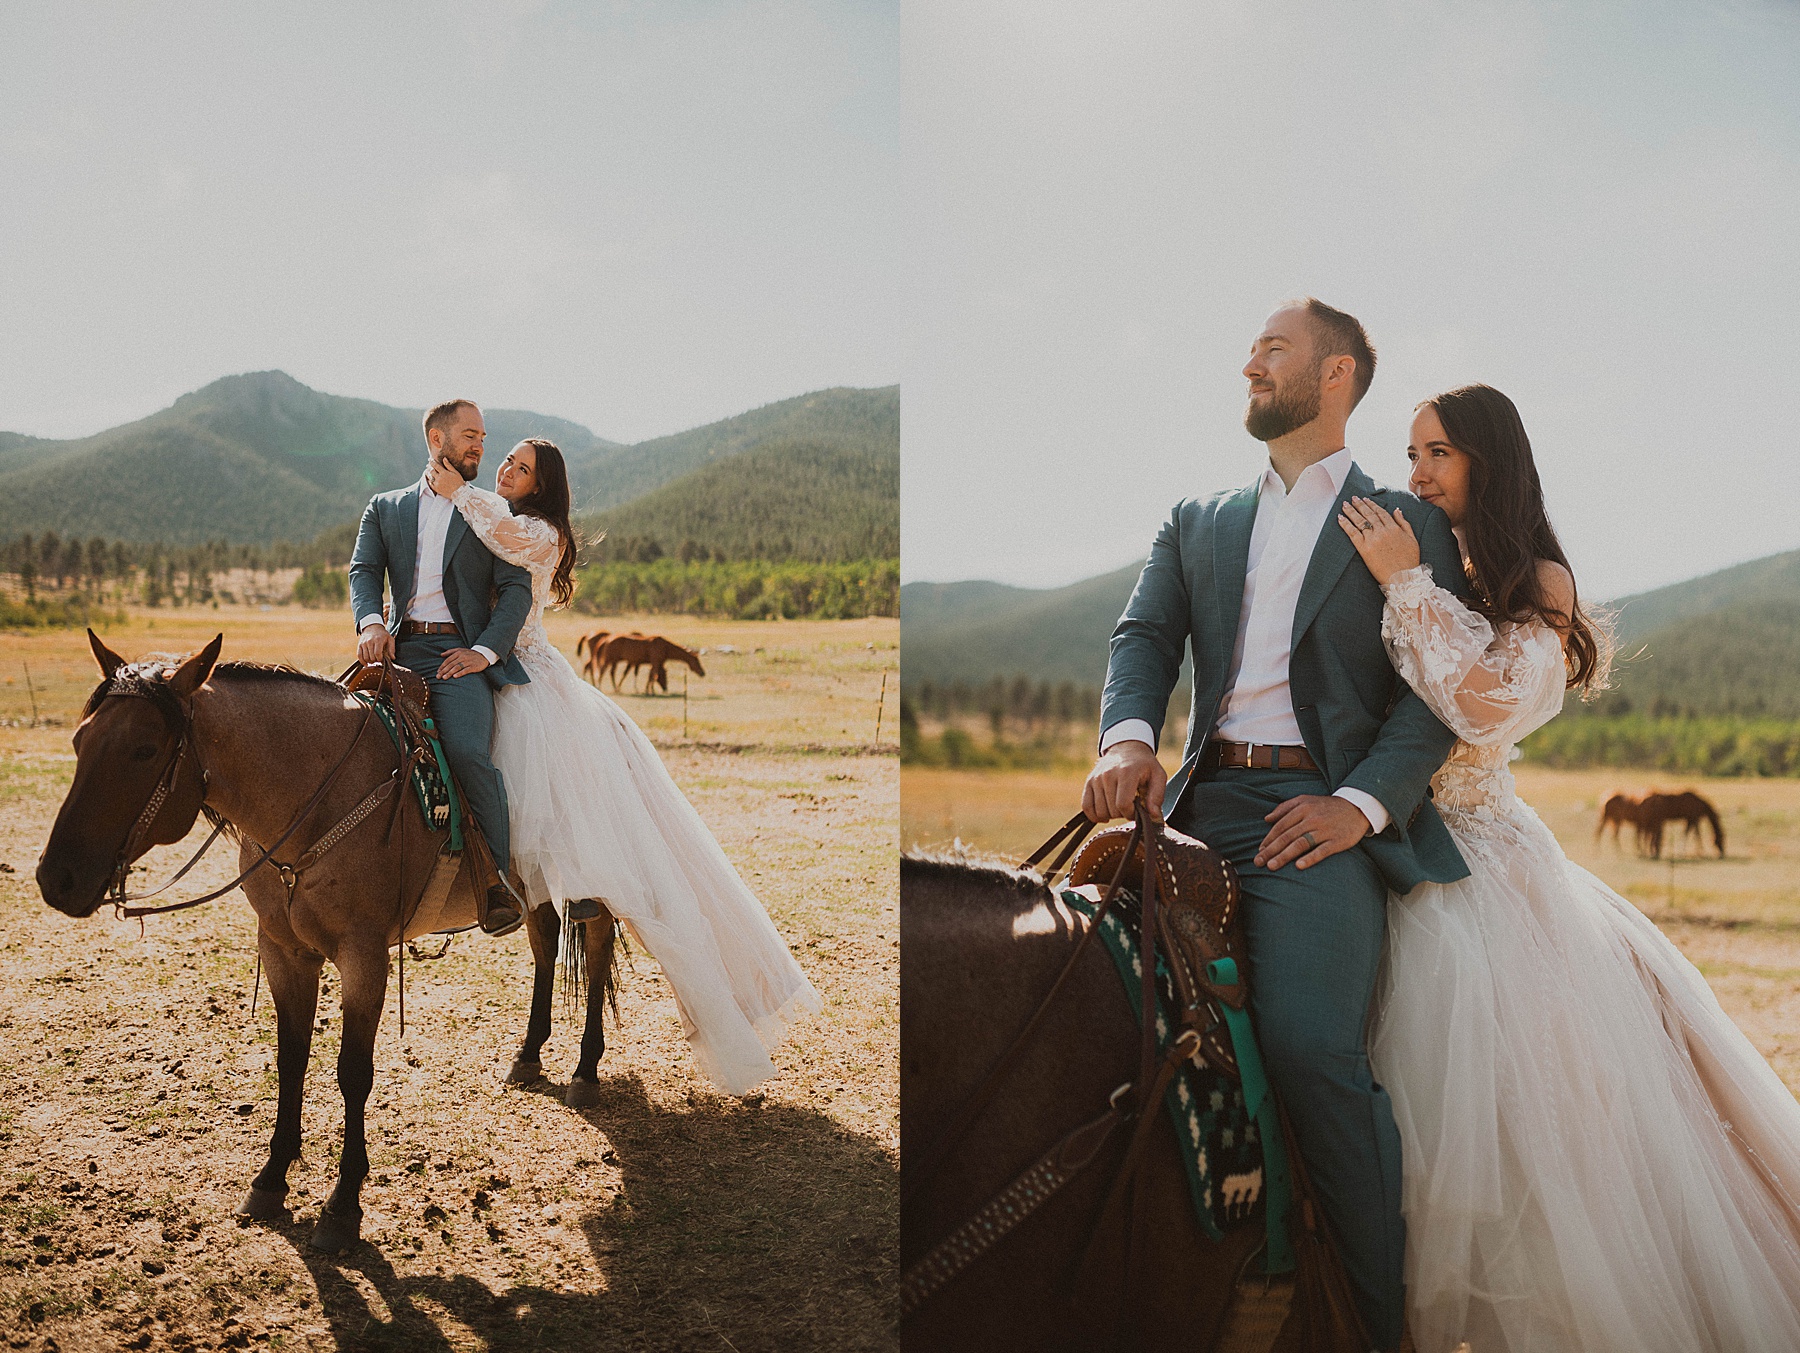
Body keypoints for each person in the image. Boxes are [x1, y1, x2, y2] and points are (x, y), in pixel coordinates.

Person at [1341, 384, 1800, 1351]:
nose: (1417, 471)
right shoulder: (1426, 552)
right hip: (1387, 838)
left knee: (1547, 1121)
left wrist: (1405, 588)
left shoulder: (1538, 579)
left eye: (1438, 453)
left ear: (1487, 460)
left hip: (1487, 866)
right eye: (1412, 451)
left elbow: (1488, 706)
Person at [1083, 298, 1467, 1351]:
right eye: (1251, 347)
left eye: (1274, 348)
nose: (1249, 360)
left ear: (1335, 374)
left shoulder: (1407, 523)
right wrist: (1125, 740)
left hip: (1320, 818)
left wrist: (1355, 806)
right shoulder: (1196, 517)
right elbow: (1145, 633)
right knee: (1076, 993)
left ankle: (1372, 1325)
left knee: (1308, 1048)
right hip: (1198, 804)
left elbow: (1436, 695)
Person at [423, 439, 821, 1095]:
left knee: (565, 808)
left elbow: (502, 535)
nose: (507, 470)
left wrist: (456, 491)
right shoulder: (499, 512)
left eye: (521, 467)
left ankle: (580, 915)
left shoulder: (539, 531)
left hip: (533, 687)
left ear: (543, 484)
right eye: (507, 461)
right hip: (487, 675)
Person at [349, 398, 530, 936]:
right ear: (437, 440)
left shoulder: (489, 510)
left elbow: (517, 589)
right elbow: (364, 569)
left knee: (470, 753)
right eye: (470, 435)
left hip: (459, 655)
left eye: (482, 436)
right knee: (348, 742)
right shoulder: (385, 507)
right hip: (397, 650)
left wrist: (484, 652)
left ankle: (496, 881)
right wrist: (369, 624)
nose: (480, 445)